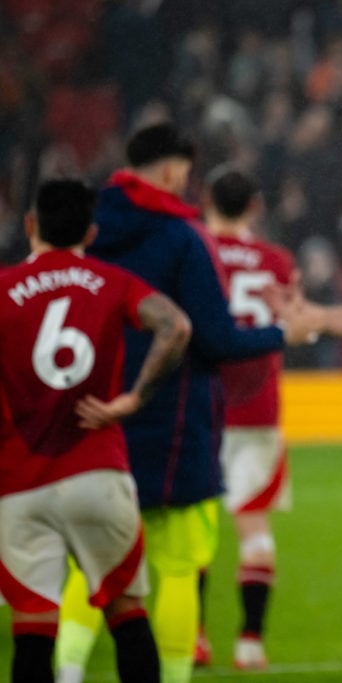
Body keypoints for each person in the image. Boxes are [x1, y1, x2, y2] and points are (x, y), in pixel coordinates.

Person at [55, 122, 318, 683]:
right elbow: (216, 340)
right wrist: (283, 336)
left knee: (96, 561)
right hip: (177, 422)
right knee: (179, 566)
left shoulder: (87, 222)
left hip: (92, 411)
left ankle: (67, 671)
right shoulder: (184, 239)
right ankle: (207, 657)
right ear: (174, 170)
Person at [0, 179, 191, 682]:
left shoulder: (2, 290)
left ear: (30, 225)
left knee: (32, 628)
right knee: (127, 614)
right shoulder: (111, 280)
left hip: (17, 484)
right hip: (96, 472)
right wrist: (133, 399)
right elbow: (176, 326)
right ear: (90, 231)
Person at [198, 165, 295, 669]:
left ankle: (194, 636)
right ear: (255, 206)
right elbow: (295, 322)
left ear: (206, 200)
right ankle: (250, 642)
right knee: (253, 528)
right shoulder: (277, 262)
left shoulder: (196, 252)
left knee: (193, 526)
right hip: (258, 410)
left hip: (202, 406)